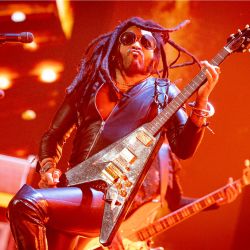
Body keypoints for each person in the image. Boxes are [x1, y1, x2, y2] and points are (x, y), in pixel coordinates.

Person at [7, 17, 240, 250]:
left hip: (106, 200)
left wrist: (201, 102)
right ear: (117, 47)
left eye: (146, 42)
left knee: (25, 203)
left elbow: (184, 149)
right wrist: (48, 168)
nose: (136, 45)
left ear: (155, 55)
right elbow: (53, 135)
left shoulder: (164, 93)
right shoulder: (89, 86)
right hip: (69, 189)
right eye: (128, 39)